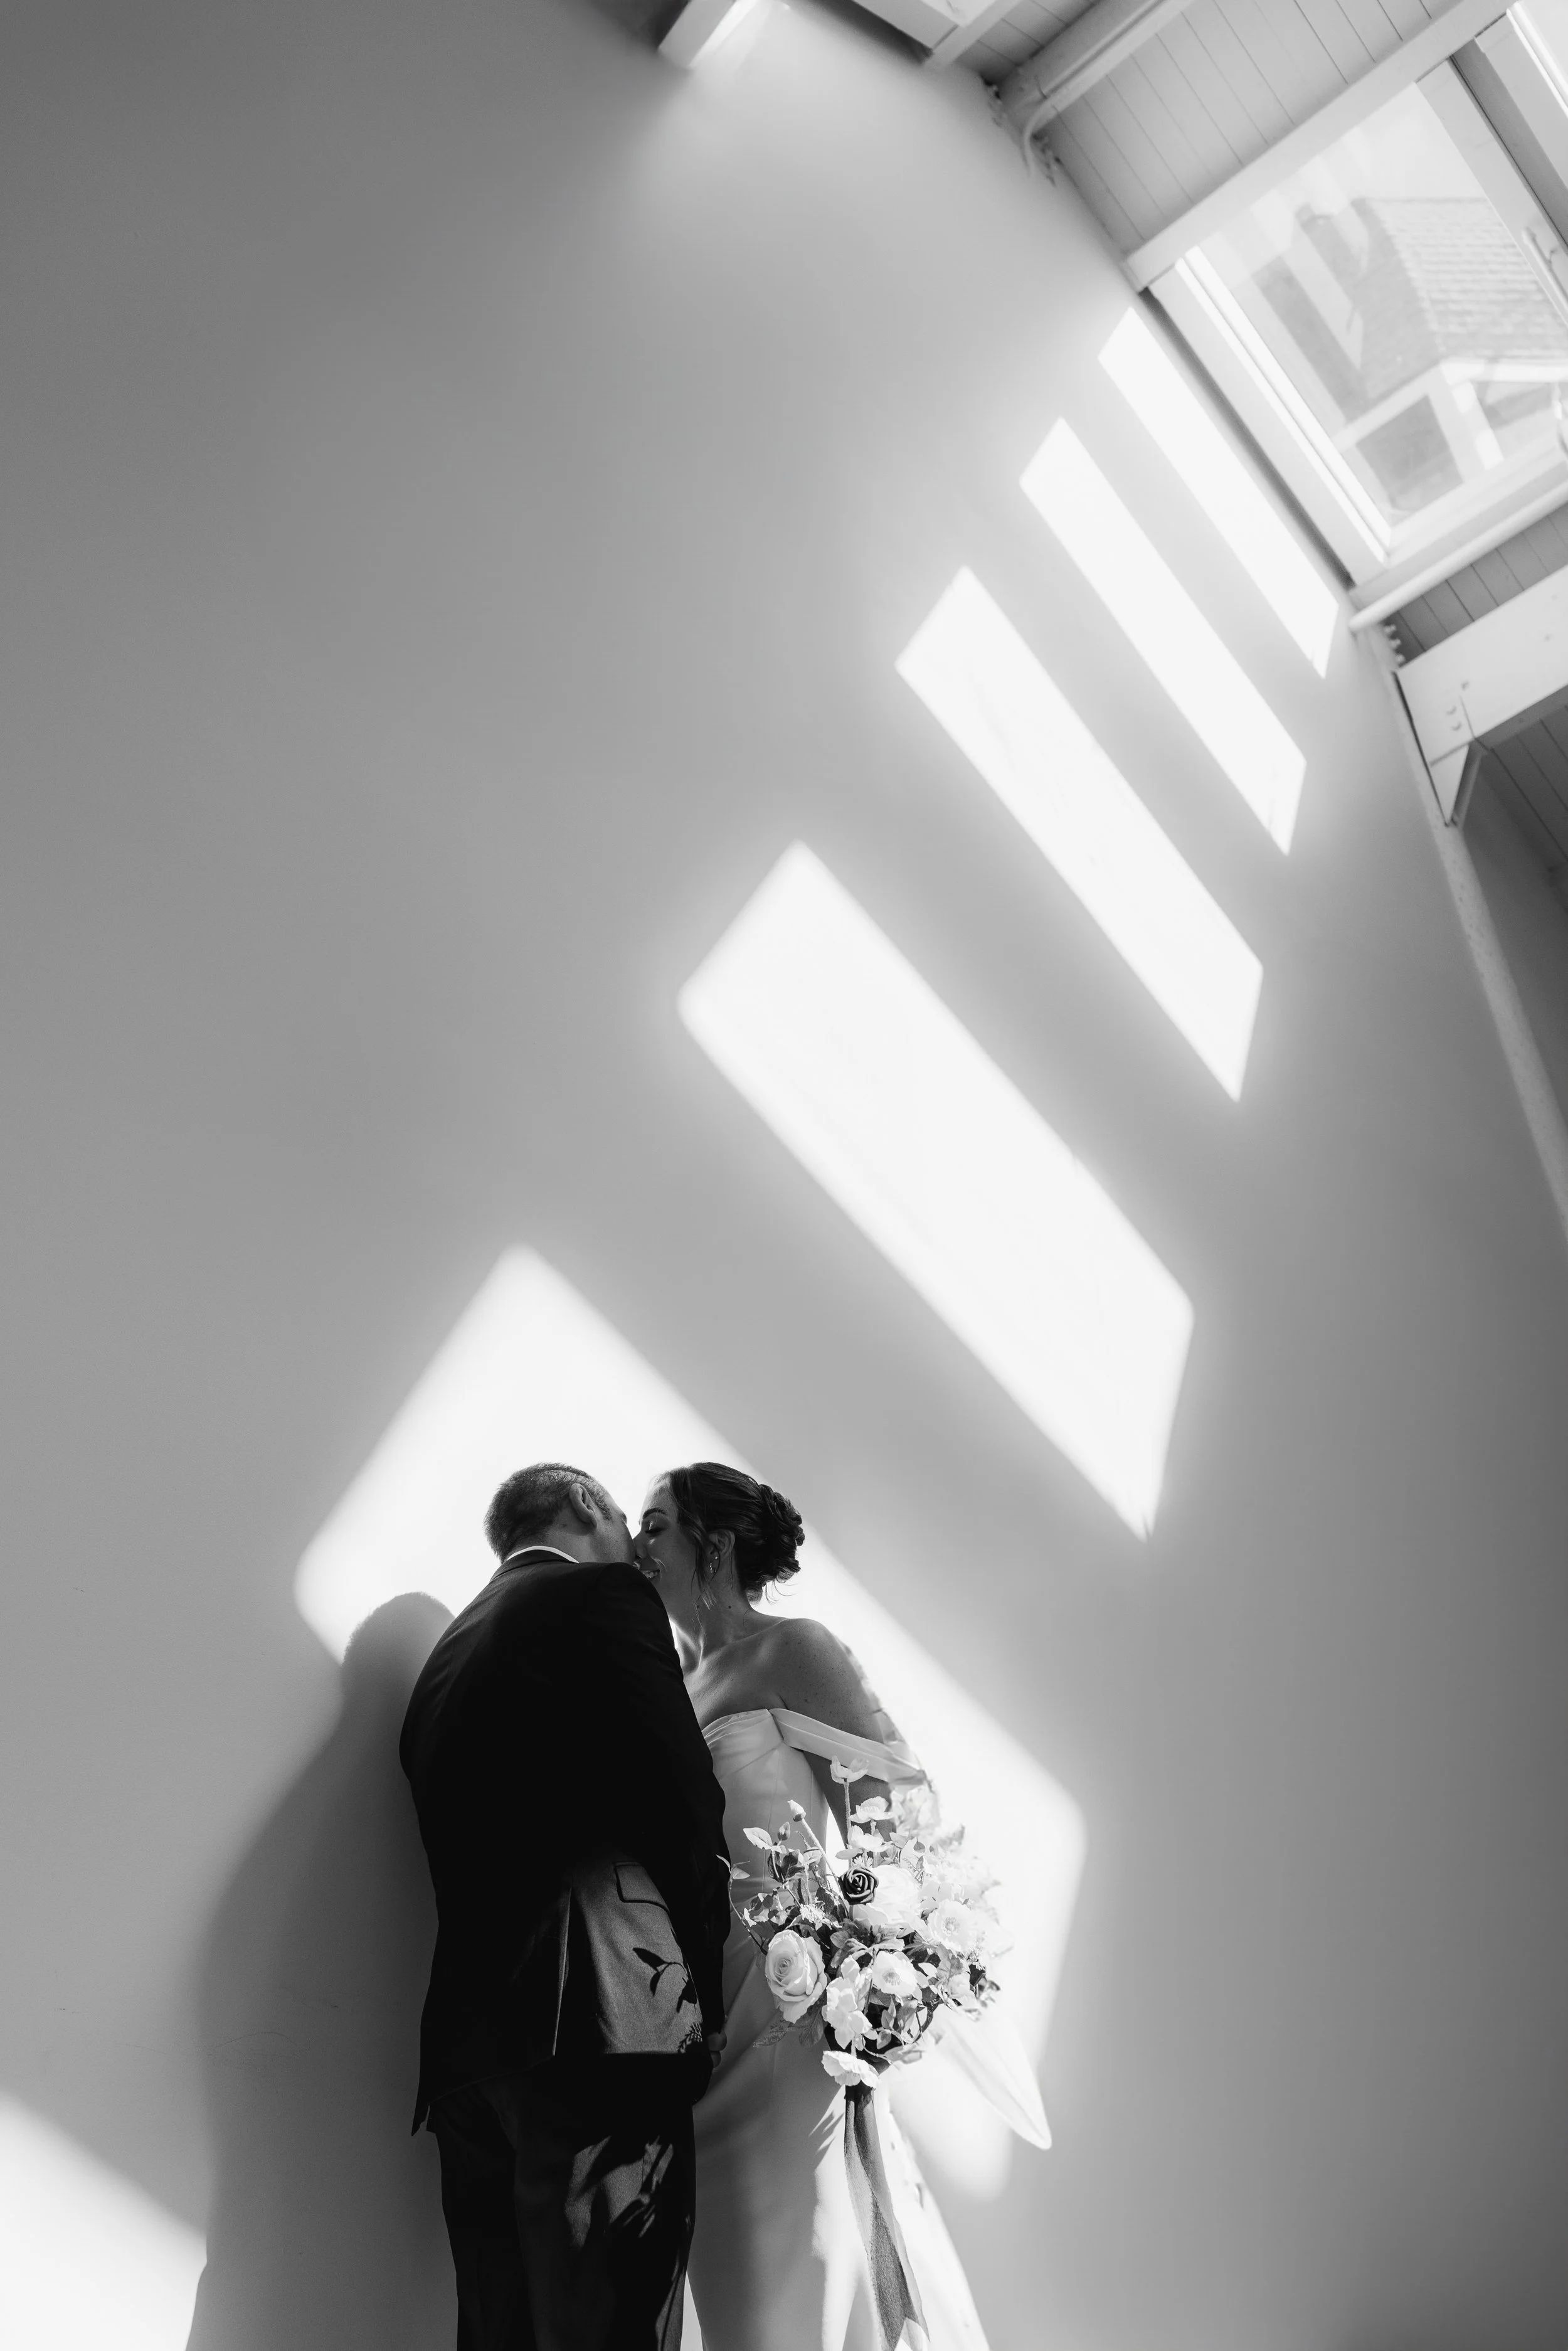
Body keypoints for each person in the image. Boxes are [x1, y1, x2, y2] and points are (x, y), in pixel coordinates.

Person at [636, 1462, 996, 2351]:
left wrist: (866, 1962)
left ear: (712, 1544)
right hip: (697, 2030)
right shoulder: (668, 1688)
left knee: (801, 2257)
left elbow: (899, 1812)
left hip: (788, 2016)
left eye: (655, 1526)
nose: (636, 1546)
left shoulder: (793, 1650)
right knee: (727, 2288)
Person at [401, 1462, 731, 2351]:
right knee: (613, 2328)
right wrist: (711, 1984)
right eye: (629, 1522)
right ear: (590, 1511)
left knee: (500, 2334)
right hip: (602, 2023)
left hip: (472, 2056)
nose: (637, 1546)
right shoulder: (604, 1597)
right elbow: (684, 1800)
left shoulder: (441, 1665)